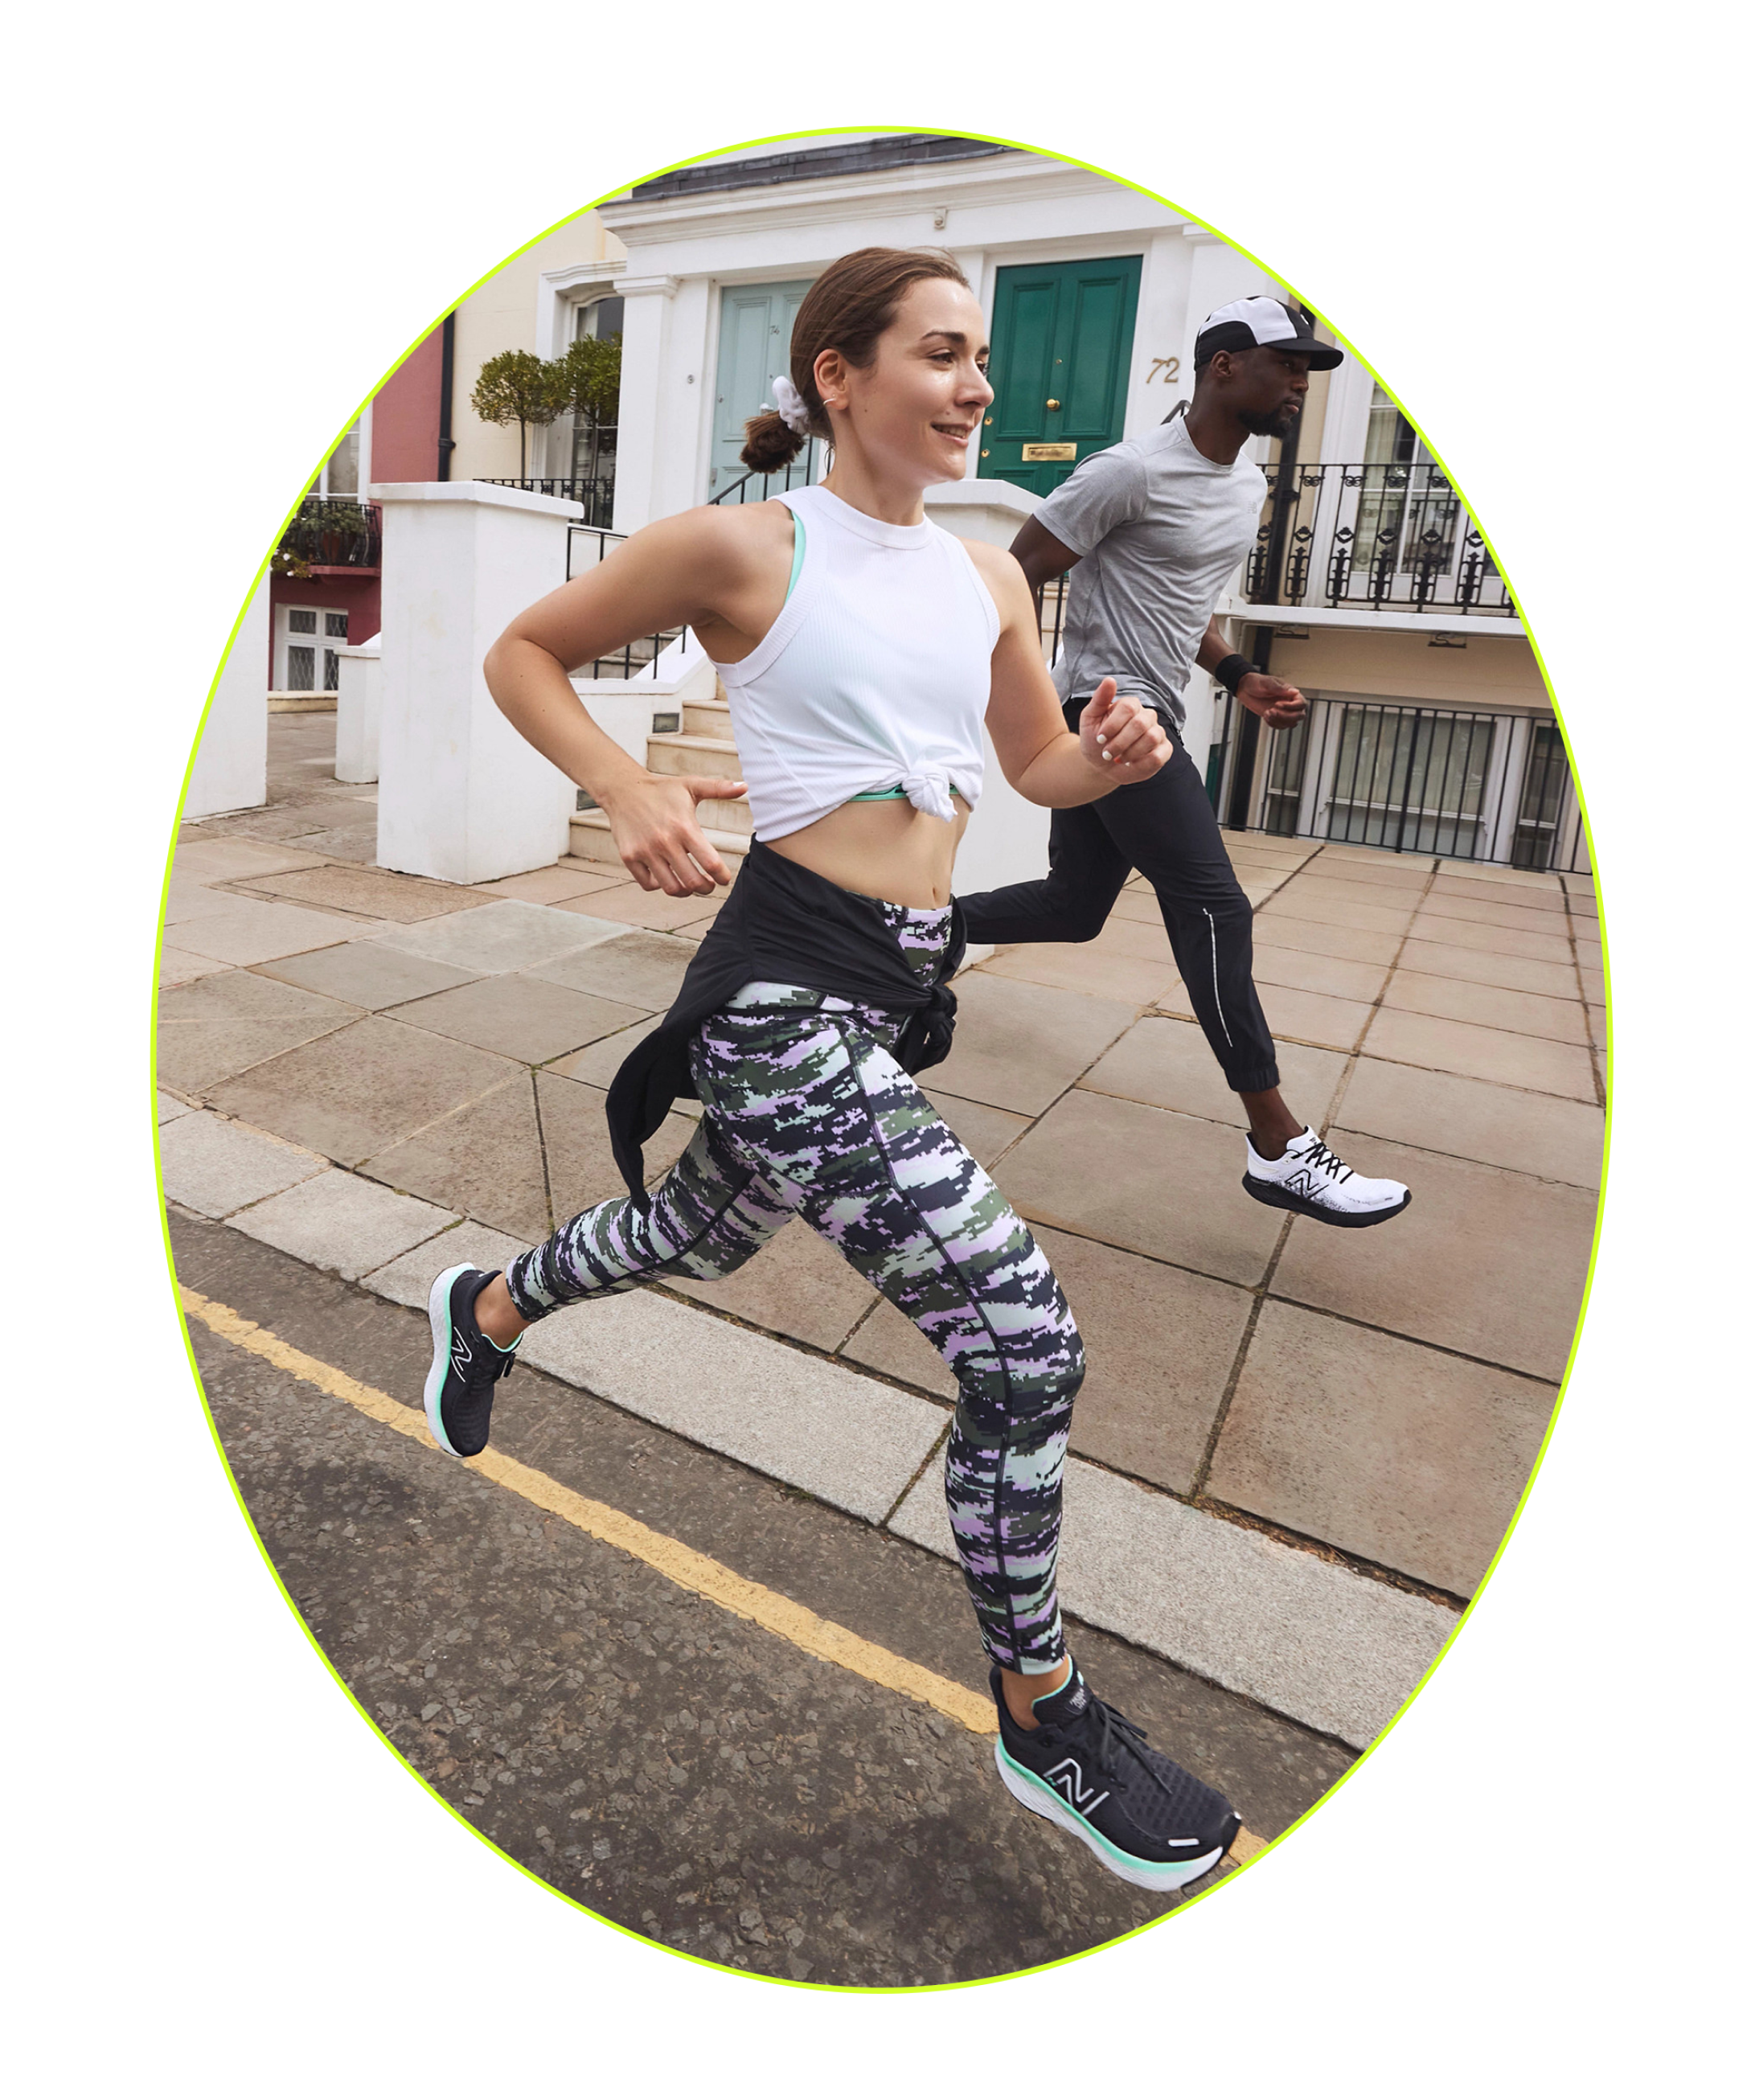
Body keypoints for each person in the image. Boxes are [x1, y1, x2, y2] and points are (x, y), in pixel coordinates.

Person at [418, 248, 1240, 1894]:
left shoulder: (987, 580)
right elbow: (523, 653)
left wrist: (1115, 753)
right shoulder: (745, 546)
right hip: (781, 987)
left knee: (702, 1233)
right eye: (941, 355)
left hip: (896, 992)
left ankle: (486, 1307)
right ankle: (1043, 1711)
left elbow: (1026, 762)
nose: (976, 385)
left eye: (982, 361)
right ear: (842, 374)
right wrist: (628, 792)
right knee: (1023, 1334)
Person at [958, 297, 1411, 1228]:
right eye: (1286, 366)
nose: (1298, 385)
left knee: (1072, 909)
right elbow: (1011, 579)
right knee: (1215, 907)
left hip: (1161, 705)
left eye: (1307, 372)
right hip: (1106, 715)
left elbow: (1178, 605)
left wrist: (1238, 672)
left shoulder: (1242, 487)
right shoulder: (1125, 472)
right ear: (1222, 366)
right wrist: (1021, 702)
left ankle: (896, 929)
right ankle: (1279, 1144)